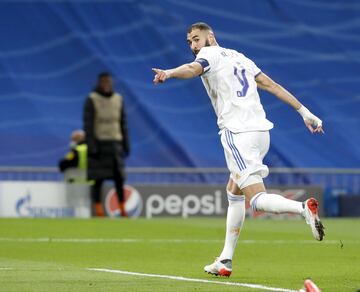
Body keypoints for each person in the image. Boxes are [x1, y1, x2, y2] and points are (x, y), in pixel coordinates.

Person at [152, 22, 325, 277]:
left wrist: (168, 72)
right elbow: (272, 85)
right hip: (261, 133)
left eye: (196, 39)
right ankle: (225, 260)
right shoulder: (241, 57)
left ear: (210, 36)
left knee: (256, 199)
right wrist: (305, 112)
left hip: (238, 134)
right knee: (233, 190)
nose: (193, 45)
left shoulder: (208, 55)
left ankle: (303, 209)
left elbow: (192, 69)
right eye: (189, 42)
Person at [83, 72, 130, 217]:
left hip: (115, 143)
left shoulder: (118, 99)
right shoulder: (92, 99)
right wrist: (91, 145)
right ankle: (98, 209)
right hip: (99, 143)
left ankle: (122, 209)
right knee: (97, 179)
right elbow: (88, 124)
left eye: (108, 82)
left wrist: (125, 144)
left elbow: (123, 123)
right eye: (103, 82)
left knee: (119, 179)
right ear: (99, 83)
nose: (106, 85)